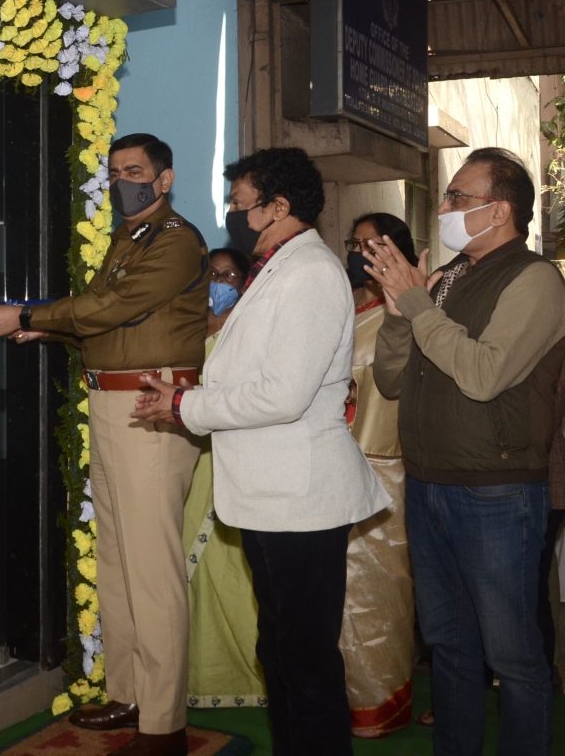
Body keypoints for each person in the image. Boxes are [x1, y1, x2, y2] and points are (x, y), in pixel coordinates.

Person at [132, 146, 389, 756]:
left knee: (304, 657)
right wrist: (188, 396)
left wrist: (184, 406)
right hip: (271, 494)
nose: (234, 214)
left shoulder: (309, 273)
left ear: (279, 206)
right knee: (279, 648)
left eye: (242, 202)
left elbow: (282, 395)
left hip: (300, 497)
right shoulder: (274, 267)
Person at [0, 132, 208, 756]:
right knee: (117, 560)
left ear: (164, 179)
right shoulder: (128, 237)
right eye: (115, 172)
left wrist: (26, 317)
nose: (122, 182)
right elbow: (106, 321)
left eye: (134, 171)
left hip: (152, 408)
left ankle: (164, 723)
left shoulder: (176, 239)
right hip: (111, 403)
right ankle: (129, 693)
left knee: (151, 567)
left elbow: (115, 306)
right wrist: (46, 333)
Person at [369, 146, 565, 756]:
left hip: (496, 491)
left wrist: (418, 304)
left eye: (458, 197)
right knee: (450, 646)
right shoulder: (449, 276)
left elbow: (484, 376)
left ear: (500, 211)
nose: (444, 209)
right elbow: (391, 380)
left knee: (512, 654)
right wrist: (399, 314)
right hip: (429, 482)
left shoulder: (535, 279)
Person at [341, 212, 416, 737]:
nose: (361, 253)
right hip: (336, 463)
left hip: (385, 466)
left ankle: (380, 702)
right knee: (339, 595)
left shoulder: (410, 307)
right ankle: (343, 700)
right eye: (355, 244)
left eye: (373, 244)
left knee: (379, 594)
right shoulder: (345, 307)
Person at [184, 245, 266, 709]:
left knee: (229, 569)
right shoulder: (186, 332)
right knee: (189, 565)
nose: (217, 283)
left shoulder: (245, 336)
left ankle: (247, 678)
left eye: (228, 276)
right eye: (210, 275)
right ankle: (195, 675)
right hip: (189, 459)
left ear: (244, 283)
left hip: (230, 460)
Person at [206, 247, 249, 338]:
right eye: (212, 273)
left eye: (229, 275)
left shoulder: (247, 330)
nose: (218, 279)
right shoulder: (188, 321)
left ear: (244, 284)